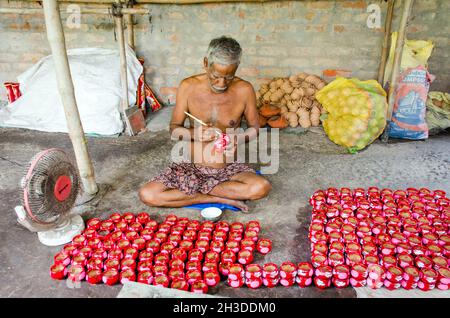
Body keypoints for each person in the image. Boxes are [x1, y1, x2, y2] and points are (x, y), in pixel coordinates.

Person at [139, 36, 271, 212]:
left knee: (261, 187)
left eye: (229, 77)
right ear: (206, 63)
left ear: (237, 68)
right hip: (190, 168)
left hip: (228, 170)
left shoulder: (244, 90)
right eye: (216, 76)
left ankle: (198, 192)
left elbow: (255, 129)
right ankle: (215, 197)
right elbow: (174, 128)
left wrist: (238, 138)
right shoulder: (188, 86)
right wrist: (194, 134)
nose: (222, 83)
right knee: (148, 194)